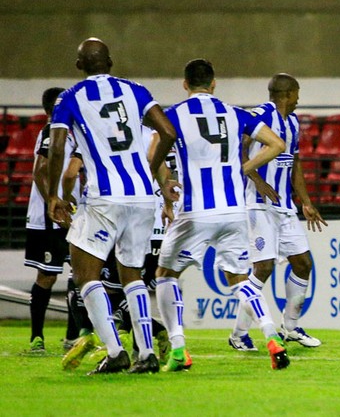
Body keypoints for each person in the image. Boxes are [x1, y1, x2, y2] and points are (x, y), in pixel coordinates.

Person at [47, 37, 178, 375]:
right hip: (141, 195)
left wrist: (53, 195)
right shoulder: (135, 90)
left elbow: (58, 146)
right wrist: (150, 170)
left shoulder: (70, 98)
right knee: (132, 274)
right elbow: (167, 131)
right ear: (111, 62)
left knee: (83, 272)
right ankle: (146, 354)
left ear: (79, 66)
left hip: (105, 196)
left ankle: (116, 351)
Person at [154, 59, 290, 371]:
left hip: (195, 211)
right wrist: (243, 169)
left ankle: (177, 348)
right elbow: (277, 144)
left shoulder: (173, 115)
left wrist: (165, 185)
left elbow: (152, 155)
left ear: (185, 85)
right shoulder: (235, 113)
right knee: (239, 278)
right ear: (214, 84)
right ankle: (271, 335)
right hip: (233, 210)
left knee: (165, 275)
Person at [229, 73, 327, 351]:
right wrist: (258, 180)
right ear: (287, 94)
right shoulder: (260, 115)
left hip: (284, 207)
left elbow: (294, 165)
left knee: (303, 264)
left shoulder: (293, 123)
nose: (299, 99)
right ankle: (238, 335)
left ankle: (291, 327)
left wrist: (306, 202)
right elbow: (238, 149)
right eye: (297, 93)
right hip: (258, 205)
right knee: (263, 268)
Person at [23, 87, 83, 353]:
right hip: (51, 216)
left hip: (72, 213)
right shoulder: (51, 131)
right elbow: (39, 171)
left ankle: (72, 337)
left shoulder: (72, 132)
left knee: (80, 274)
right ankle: (37, 338)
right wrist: (53, 201)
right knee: (48, 275)